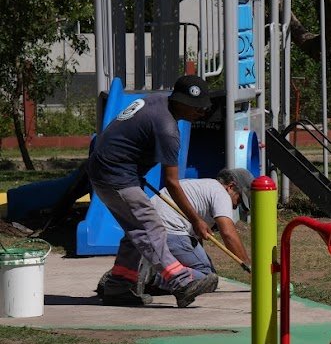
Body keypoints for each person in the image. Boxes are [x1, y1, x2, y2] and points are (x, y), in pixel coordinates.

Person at [88, 75, 221, 307]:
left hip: (107, 169)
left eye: (202, 108)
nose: (200, 112)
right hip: (115, 176)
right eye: (195, 107)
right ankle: (180, 281)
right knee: (151, 227)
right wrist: (196, 220)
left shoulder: (157, 101)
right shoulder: (168, 129)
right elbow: (172, 182)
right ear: (179, 102)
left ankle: (119, 285)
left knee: (136, 231)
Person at [141, 167, 253, 294]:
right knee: (207, 277)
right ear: (231, 187)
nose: (236, 205)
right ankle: (153, 278)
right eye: (239, 200)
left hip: (148, 226)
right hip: (169, 230)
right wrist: (249, 266)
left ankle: (150, 276)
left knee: (199, 273)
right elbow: (228, 234)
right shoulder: (221, 193)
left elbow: (196, 238)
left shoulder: (202, 185)